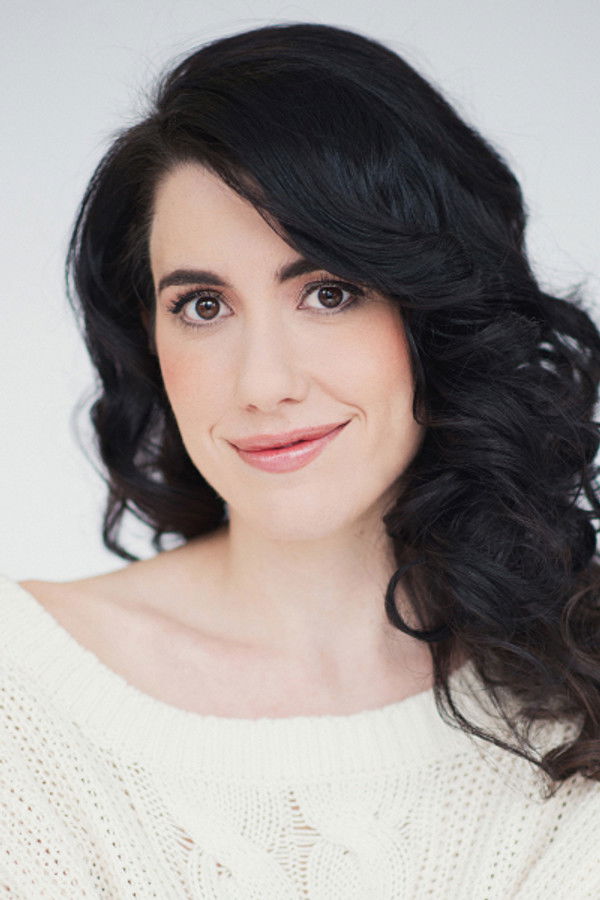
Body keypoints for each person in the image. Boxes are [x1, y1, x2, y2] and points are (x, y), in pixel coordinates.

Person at [1, 20, 599, 898]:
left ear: (436, 312)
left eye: (329, 292)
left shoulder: (580, 683)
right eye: (203, 306)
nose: (264, 384)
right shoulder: (23, 699)